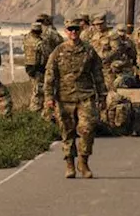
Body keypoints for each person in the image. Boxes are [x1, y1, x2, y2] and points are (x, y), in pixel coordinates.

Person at [44, 19, 105, 178]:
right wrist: (49, 97)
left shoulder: (88, 50)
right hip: (64, 98)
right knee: (67, 132)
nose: (73, 32)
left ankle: (83, 162)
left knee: (87, 129)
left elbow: (97, 73)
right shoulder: (58, 51)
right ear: (66, 31)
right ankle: (69, 163)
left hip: (85, 96)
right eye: (70, 29)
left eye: (76, 29)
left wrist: (102, 95)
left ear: (80, 30)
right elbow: (50, 75)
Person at [22, 21, 49, 115]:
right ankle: (35, 110)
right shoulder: (40, 43)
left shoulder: (26, 38)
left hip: (28, 67)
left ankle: (34, 110)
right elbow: (46, 55)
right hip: (38, 68)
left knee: (35, 88)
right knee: (38, 91)